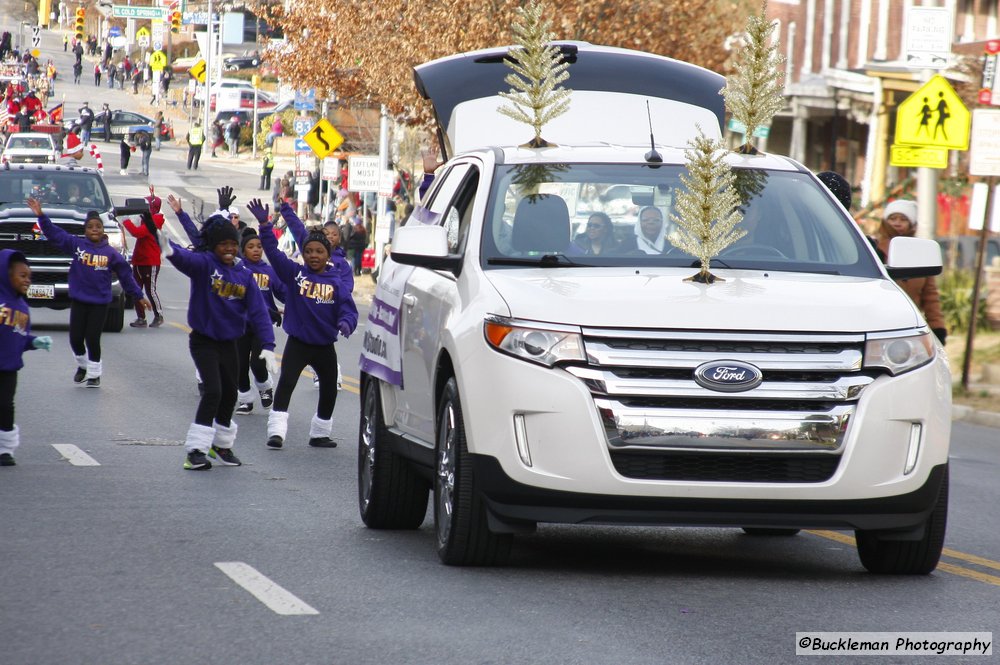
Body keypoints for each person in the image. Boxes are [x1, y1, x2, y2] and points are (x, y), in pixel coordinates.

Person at [153, 197, 277, 470]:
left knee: (230, 395)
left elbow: (258, 312)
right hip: (204, 341)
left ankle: (221, 445)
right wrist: (169, 250)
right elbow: (185, 259)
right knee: (213, 391)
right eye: (224, 245)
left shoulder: (244, 276)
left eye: (233, 244)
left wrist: (268, 345)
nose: (230, 249)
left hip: (229, 342)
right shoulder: (206, 264)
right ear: (214, 246)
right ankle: (195, 450)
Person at [248, 198, 358, 449]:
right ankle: (276, 432)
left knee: (329, 390)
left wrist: (346, 323)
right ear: (303, 254)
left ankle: (319, 433)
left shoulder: (337, 283)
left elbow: (349, 311)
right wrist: (265, 225)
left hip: (324, 346)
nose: (313, 256)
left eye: (319, 252)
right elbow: (274, 254)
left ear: (327, 254)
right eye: (309, 252)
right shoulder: (295, 274)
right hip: (298, 344)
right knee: (286, 384)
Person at [26, 198, 149, 388]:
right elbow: (55, 234)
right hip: (80, 300)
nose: (94, 229)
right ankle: (83, 366)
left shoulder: (111, 253)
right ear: (85, 230)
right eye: (90, 226)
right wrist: (41, 216)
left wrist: (139, 296)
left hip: (100, 302)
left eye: (98, 226)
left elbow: (125, 275)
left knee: (92, 338)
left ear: (102, 230)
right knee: (75, 339)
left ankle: (94, 375)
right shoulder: (77, 246)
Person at [0, 250, 53, 466]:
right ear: (6, 275)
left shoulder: (22, 308)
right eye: (22, 276)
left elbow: (19, 338)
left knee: (5, 405)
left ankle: (5, 449)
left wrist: (34, 342)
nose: (27, 280)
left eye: (29, 277)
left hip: (9, 368)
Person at [873, 200, 947, 345]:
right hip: (880, 325)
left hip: (910, 326)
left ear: (912, 224)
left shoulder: (919, 252)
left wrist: (937, 327)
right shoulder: (873, 250)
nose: (897, 223)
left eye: (903, 219)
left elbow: (930, 296)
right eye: (893, 218)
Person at [234, 230, 285, 415]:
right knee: (239, 365)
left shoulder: (269, 271)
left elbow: (283, 292)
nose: (256, 250)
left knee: (257, 362)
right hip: (240, 324)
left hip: (262, 325)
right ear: (243, 250)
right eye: (250, 247)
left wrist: (298, 304)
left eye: (259, 246)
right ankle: (246, 400)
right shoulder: (239, 270)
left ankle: (265, 387)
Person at [121, 189, 165, 329]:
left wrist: (126, 220)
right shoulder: (144, 218)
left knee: (150, 289)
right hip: (139, 259)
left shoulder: (156, 219)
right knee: (136, 290)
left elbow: (137, 232)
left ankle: (159, 315)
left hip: (150, 260)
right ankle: (141, 317)